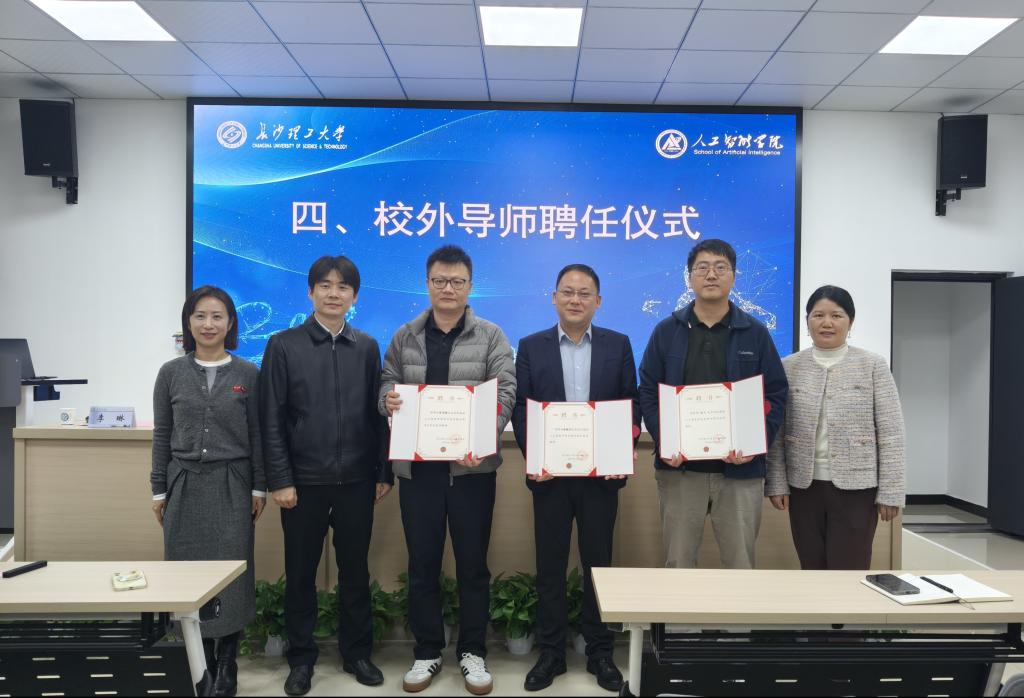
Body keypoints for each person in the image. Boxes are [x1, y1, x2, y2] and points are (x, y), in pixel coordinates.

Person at [380, 245, 515, 696]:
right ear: (428, 284)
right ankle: (427, 651)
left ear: (470, 286)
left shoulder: (491, 336)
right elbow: (386, 384)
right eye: (440, 280)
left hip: (472, 473)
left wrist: (483, 436)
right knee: (422, 564)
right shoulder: (404, 336)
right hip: (419, 473)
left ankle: (473, 651)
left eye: (457, 281)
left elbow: (505, 392)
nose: (448, 289)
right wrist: (387, 400)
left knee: (473, 565)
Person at [260, 256, 392, 697]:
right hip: (302, 482)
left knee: (355, 571)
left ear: (355, 296)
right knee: (300, 574)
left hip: (357, 480)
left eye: (343, 287)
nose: (334, 293)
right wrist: (280, 479)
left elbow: (378, 415)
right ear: (310, 292)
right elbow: (271, 418)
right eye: (325, 285)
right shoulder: (283, 345)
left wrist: (382, 471)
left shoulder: (367, 346)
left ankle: (357, 654)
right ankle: (301, 659)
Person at [511, 264, 639, 693]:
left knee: (597, 565)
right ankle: (551, 652)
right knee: (550, 566)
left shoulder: (618, 344)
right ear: (554, 297)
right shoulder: (531, 346)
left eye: (585, 293)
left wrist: (622, 449)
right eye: (567, 291)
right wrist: (536, 457)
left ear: (598, 301)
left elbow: (630, 403)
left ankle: (599, 651)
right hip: (550, 477)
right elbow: (522, 408)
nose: (575, 299)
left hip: (600, 478)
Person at [638, 239, 788, 570]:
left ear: (733, 276)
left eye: (721, 268)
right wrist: (666, 441)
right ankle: (681, 612)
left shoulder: (755, 333)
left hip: (740, 471)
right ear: (689, 277)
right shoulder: (666, 331)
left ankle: (738, 612)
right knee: (678, 563)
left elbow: (776, 393)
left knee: (740, 564)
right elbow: (648, 391)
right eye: (702, 268)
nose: (711, 275)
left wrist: (754, 443)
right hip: (680, 471)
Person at [151, 285, 266, 697]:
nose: (208, 324)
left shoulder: (248, 374)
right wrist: (158, 489)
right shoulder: (170, 373)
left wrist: (259, 487)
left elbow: (258, 435)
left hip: (233, 484)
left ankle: (226, 659)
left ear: (230, 323)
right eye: (200, 315)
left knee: (231, 574)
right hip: (183, 482)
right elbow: (162, 434)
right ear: (189, 322)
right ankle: (199, 661)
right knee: (186, 572)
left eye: (217, 316)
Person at [766, 285, 906, 569]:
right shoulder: (789, 366)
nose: (827, 322)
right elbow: (777, 434)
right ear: (807, 321)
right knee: (811, 565)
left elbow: (891, 432)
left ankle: (847, 603)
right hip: (804, 487)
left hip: (858, 489)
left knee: (850, 566)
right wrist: (776, 482)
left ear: (850, 322)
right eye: (818, 315)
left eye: (836, 315)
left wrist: (891, 491)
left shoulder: (872, 365)